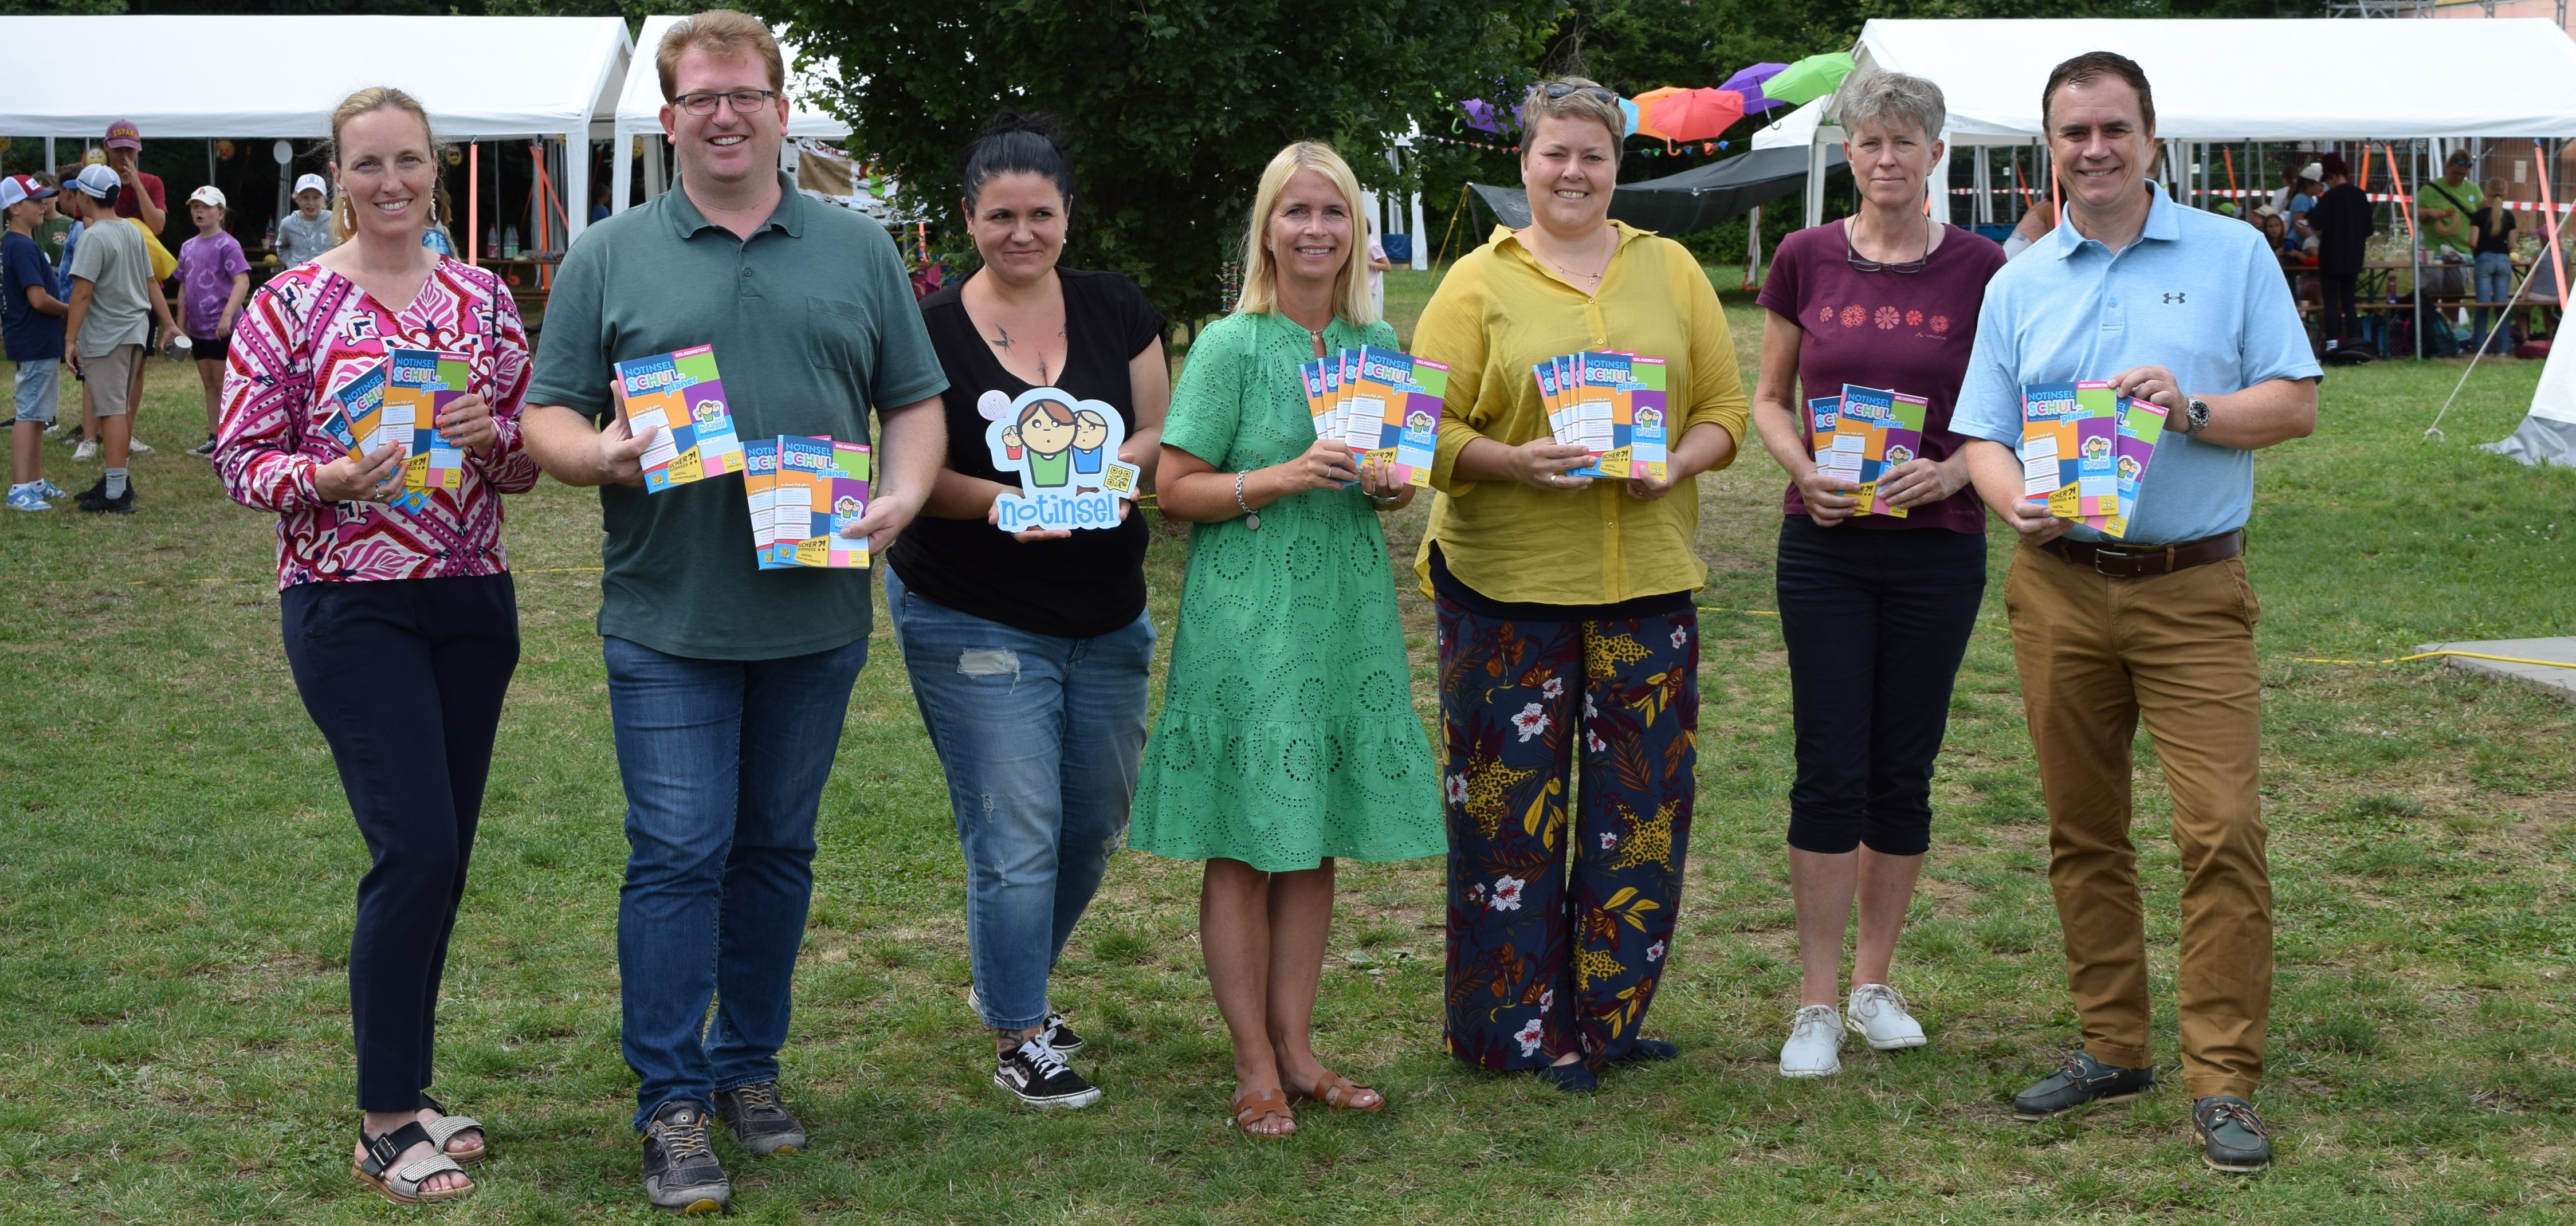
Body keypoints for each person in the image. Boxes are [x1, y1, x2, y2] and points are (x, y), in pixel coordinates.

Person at [519, 9, 948, 1213]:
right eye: (700, 97)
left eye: (744, 95)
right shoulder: (608, 253)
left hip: (814, 612)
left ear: (778, 109)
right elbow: (546, 412)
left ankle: (747, 1068)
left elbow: (911, 400)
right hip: (666, 612)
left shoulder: (856, 250)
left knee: (774, 851)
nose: (723, 115)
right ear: (669, 120)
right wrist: (593, 452)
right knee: (675, 854)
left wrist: (905, 492)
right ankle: (669, 1098)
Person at [1951, 51, 2319, 1175]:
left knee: (2221, 831)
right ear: (2048, 151)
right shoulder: (2017, 281)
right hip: (2058, 587)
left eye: (2114, 129)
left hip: (2192, 588)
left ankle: (2221, 1076)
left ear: (2151, 140)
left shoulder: (2230, 254)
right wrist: (2011, 498)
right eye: (2074, 134)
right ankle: (2113, 1045)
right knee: (2082, 829)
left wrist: (2193, 406)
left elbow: (2294, 403)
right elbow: (1979, 432)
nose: (2095, 150)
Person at [214, 85, 536, 1207]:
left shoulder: (483, 297)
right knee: (416, 851)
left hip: (469, 597)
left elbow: (525, 458)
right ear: (336, 176)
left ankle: (410, 1084)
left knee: (441, 855)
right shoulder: (291, 303)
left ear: (435, 169)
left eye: (408, 162)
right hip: (349, 601)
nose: (390, 183)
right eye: (367, 166)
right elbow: (240, 458)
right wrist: (332, 476)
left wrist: (491, 435)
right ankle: (385, 1118)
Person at [1411, 77, 1746, 1094]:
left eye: (1593, 155)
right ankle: (1508, 1029)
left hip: (1644, 583)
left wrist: (1676, 464)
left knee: (1636, 818)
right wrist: (1514, 462)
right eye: (1555, 152)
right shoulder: (1477, 281)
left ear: (1617, 165)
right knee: (1506, 820)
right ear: (1525, 163)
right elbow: (1421, 428)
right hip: (1508, 587)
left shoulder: (1671, 269)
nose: (1573, 171)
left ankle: (1603, 1018)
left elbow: (1724, 408)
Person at [1128, 139, 1439, 1137]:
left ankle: (1300, 1051)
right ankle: (1252, 1062)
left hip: (1344, 616)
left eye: (1334, 213)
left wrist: (1392, 488)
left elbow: (1392, 483)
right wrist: (1278, 476)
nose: (1315, 230)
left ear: (1358, 231)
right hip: (1249, 619)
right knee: (1246, 841)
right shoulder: (1229, 344)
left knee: (1311, 843)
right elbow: (1171, 488)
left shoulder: (1380, 347)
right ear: (1266, 228)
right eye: (1295, 212)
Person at [886, 109, 1168, 1111]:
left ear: (1067, 216)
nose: (1021, 233)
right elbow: (918, 469)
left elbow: (1152, 431)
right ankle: (1019, 1032)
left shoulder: (1114, 306)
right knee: (1016, 834)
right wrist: (1008, 501)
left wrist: (1100, 479)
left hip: (1106, 609)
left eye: (1039, 214)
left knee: (1093, 822)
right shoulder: (928, 329)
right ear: (969, 218)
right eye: (1000, 215)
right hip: (973, 611)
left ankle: (1008, 981)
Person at [1746, 71, 2005, 1079]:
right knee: (1829, 764)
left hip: (1940, 543)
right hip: (1827, 546)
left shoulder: (1986, 268)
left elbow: (2012, 408)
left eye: (1905, 142)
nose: (1886, 158)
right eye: (1868, 142)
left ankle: (1873, 984)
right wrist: (1806, 471)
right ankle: (1813, 1001)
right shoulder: (1805, 257)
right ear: (1846, 155)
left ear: (1937, 153)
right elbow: (1767, 399)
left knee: (1904, 764)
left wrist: (1951, 469)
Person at [61, 163, 176, 513]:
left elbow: (81, 293)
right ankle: (117, 479)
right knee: (119, 409)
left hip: (107, 335)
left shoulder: (93, 237)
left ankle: (115, 493)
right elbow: (150, 283)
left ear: (84, 197)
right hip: (135, 332)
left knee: (109, 411)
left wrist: (70, 340)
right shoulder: (130, 231)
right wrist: (169, 323)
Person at [5, 174, 70, 512]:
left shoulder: (17, 244)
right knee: (29, 414)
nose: (44, 205)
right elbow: (38, 299)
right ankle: (19, 489)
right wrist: (72, 310)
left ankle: (35, 481)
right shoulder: (23, 247)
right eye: (36, 201)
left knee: (40, 414)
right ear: (15, 208)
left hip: (36, 340)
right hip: (34, 339)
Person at [176, 186, 250, 458]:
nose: (199, 211)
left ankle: (229, 438)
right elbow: (183, 287)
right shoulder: (188, 246)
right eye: (195, 206)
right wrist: (180, 325)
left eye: (205, 207)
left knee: (225, 383)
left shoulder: (228, 244)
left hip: (222, 328)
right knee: (209, 383)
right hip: (198, 328)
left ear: (220, 213)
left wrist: (227, 317)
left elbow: (242, 281)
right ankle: (214, 435)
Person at [2306, 155, 2372, 353]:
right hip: (2354, 257)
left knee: (2331, 302)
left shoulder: (2330, 198)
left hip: (2331, 258)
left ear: (2333, 176)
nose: (2327, 184)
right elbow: (2369, 229)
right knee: (2349, 301)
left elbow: (2316, 221)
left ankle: (2332, 344)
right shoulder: (2360, 196)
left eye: (2327, 180)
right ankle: (2354, 342)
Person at [2417, 149, 2480, 302]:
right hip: (2434, 254)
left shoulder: (2472, 189)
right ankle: (2430, 323)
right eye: (2456, 173)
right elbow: (2413, 213)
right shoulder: (2430, 189)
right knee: (2430, 293)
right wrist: (2430, 212)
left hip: (2462, 254)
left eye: (2463, 175)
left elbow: (2482, 215)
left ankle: (2451, 325)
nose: (2459, 178)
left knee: (2455, 296)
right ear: (2447, 167)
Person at [2469, 177, 2517, 353]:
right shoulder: (2510, 216)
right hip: (2503, 261)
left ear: (2486, 192)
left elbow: (2473, 242)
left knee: (2482, 306)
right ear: (2505, 192)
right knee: (2501, 307)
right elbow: (2511, 243)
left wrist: (2477, 255)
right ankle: (2503, 348)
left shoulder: (2479, 216)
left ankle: (2479, 348)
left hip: (2483, 260)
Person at [103, 119, 168, 234]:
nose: (124, 156)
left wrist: (138, 186)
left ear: (138, 148)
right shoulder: (96, 181)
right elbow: (90, 227)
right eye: (118, 149)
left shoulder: (153, 183)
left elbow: (158, 227)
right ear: (106, 146)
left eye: (130, 150)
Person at [276, 172, 340, 269]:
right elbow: (282, 248)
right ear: (297, 198)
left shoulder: (335, 221)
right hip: (299, 279)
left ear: (324, 199)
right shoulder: (288, 224)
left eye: (316, 198)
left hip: (326, 278)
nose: (311, 203)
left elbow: (345, 247)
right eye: (305, 197)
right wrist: (293, 265)